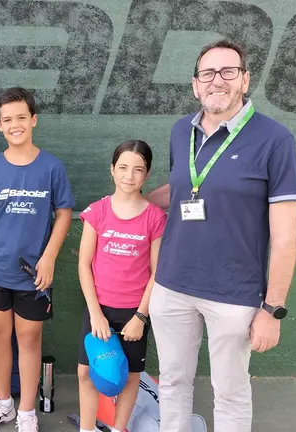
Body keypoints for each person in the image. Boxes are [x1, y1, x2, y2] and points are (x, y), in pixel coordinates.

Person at [146, 39, 296, 432]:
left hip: (234, 296)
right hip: (172, 285)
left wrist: (272, 309)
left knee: (229, 392)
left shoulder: (275, 140)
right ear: (196, 84)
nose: (218, 81)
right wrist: (132, 201)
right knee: (173, 383)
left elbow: (285, 236)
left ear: (245, 80)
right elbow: (184, 188)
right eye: (208, 73)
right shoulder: (181, 131)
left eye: (228, 71)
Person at [0, 87, 75, 432]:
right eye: (8, 119)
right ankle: (2, 404)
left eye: (21, 118)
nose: (15, 125)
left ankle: (26, 411)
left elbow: (64, 212)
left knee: (29, 341)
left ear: (33, 120)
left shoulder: (52, 166)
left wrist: (50, 258)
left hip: (33, 275)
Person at [76, 140, 166, 432]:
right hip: (98, 308)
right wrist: (95, 314)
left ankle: (118, 428)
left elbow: (157, 271)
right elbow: (84, 265)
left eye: (138, 169)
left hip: (134, 312)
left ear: (147, 174)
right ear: (112, 170)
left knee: (129, 376)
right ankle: (87, 429)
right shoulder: (98, 211)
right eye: (123, 167)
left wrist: (141, 316)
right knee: (87, 372)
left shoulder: (155, 216)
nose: (129, 175)